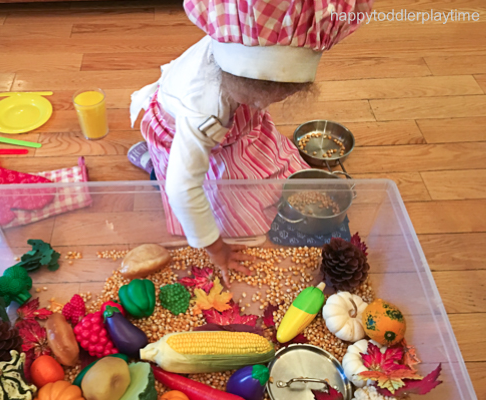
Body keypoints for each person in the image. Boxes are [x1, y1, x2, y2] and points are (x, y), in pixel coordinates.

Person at [129, 0, 373, 286]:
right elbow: (182, 188)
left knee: (284, 173)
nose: (264, 104)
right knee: (241, 224)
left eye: (276, 98)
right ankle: (156, 163)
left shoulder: (244, 39)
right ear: (238, 85)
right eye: (258, 99)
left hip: (232, 132)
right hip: (180, 131)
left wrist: (250, 110)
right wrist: (216, 249)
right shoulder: (203, 110)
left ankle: (174, 160)